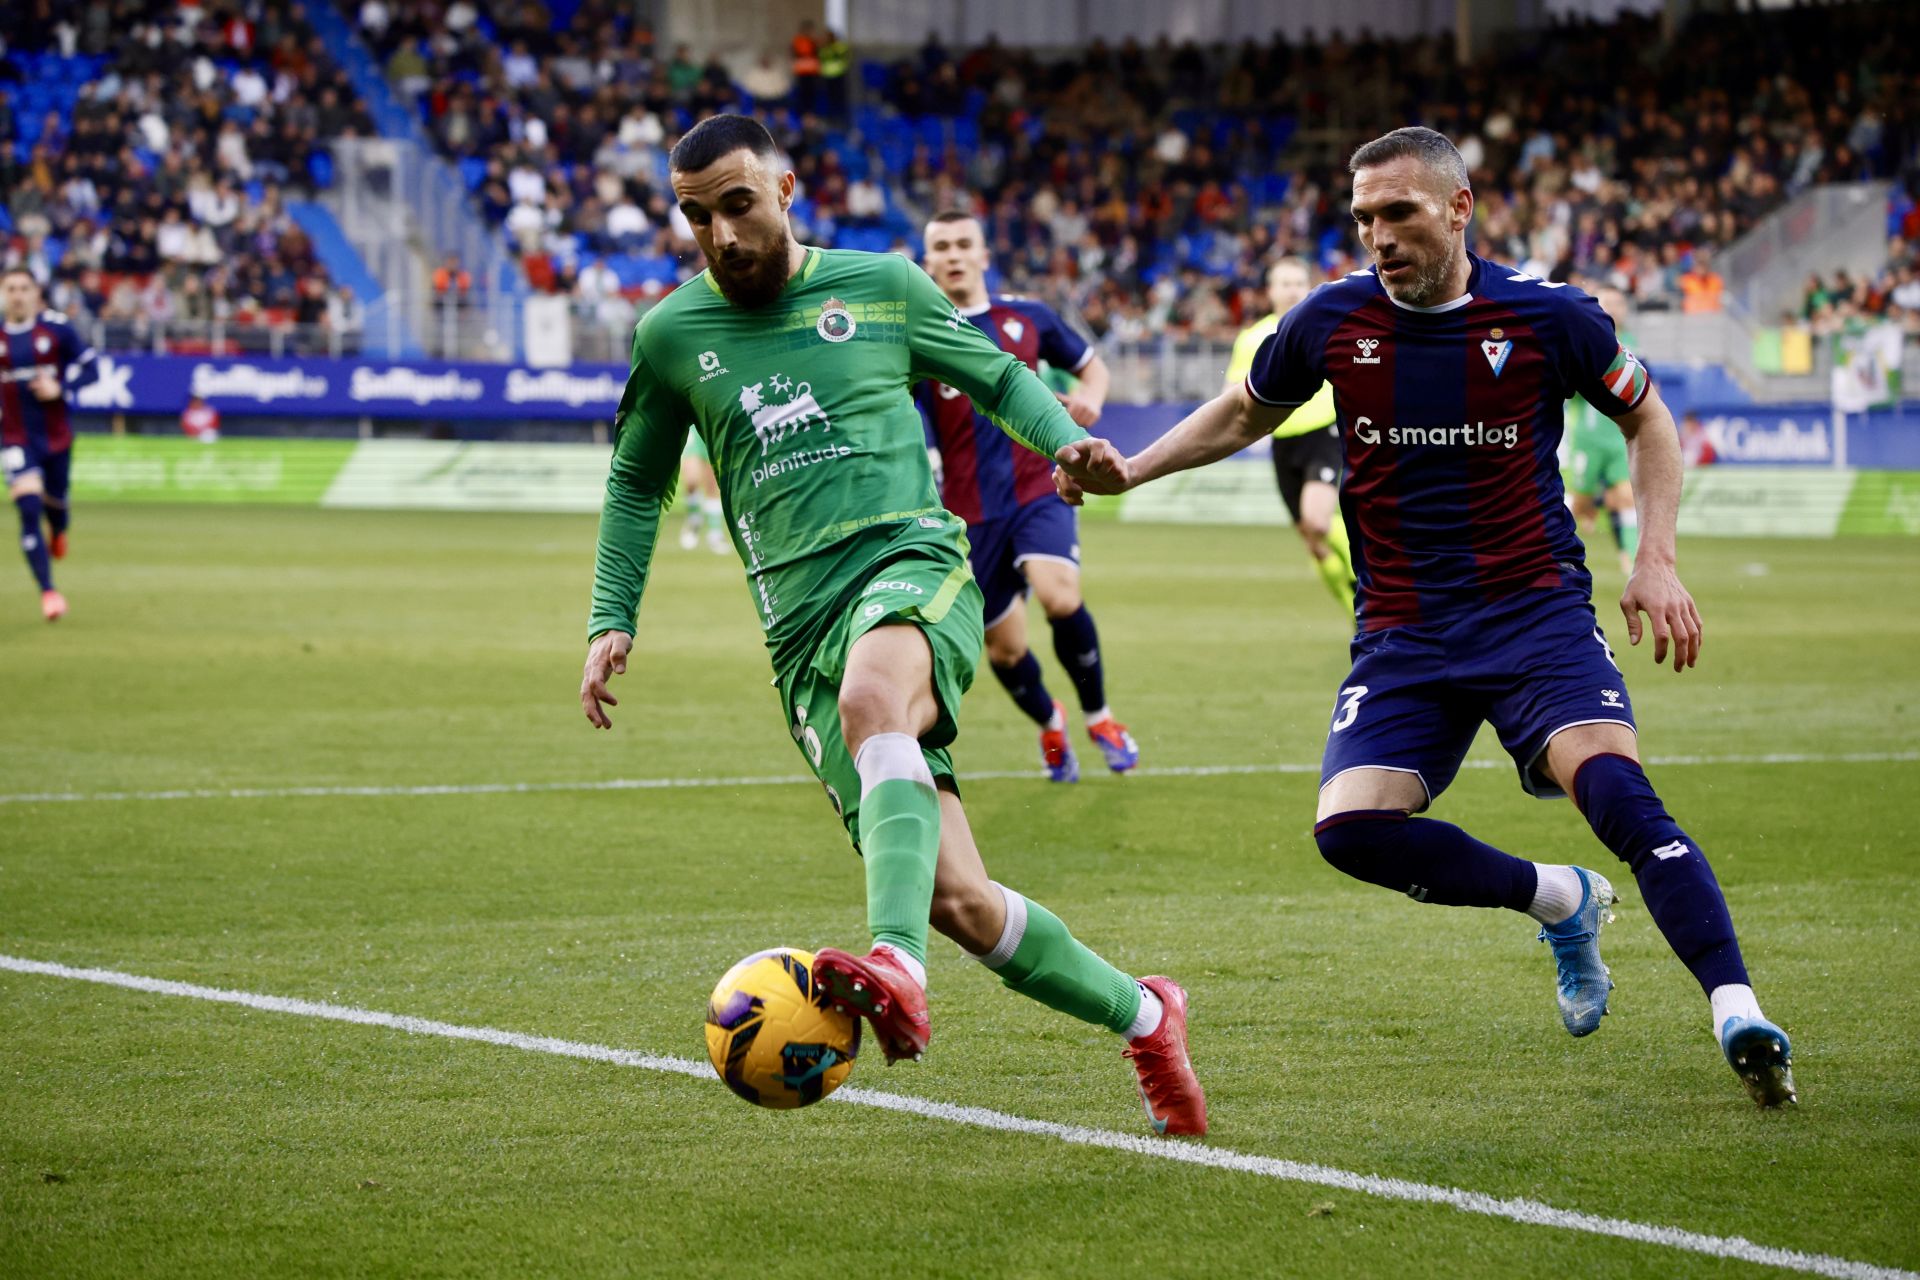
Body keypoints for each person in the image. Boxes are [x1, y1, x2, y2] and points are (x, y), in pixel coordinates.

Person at [1055, 127, 1795, 1108]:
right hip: (1404, 630)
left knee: (1617, 793)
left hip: (1535, 616)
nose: (1378, 236)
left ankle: (1737, 1008)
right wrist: (1129, 470)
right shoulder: (1331, 321)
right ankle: (1559, 899)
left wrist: (1656, 557)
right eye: (1362, 218)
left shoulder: (1547, 320)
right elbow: (1244, 411)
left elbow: (1647, 418)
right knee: (1350, 830)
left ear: (1459, 207)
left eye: (1398, 212)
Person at [579, 116, 1206, 1134]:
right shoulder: (671, 335)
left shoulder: (883, 285)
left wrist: (1068, 440)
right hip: (797, 633)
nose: (722, 234)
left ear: (786, 187)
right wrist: (612, 614)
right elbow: (635, 480)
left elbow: (998, 375)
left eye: (739, 203)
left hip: (913, 561)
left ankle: (894, 965)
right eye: (696, 216)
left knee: (879, 701)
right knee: (962, 898)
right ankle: (1147, 1013)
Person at [918, 209, 1137, 782]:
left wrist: (1089, 399)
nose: (954, 255)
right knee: (1006, 652)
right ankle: (1050, 721)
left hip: (1041, 490)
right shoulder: (919, 333)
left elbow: (1093, 369)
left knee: (1059, 595)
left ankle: (1101, 717)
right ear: (928, 261)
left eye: (965, 244)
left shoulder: (1028, 317)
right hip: (968, 513)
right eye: (941, 247)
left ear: (984, 255)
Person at [1223, 258, 1357, 613]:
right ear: (1270, 291)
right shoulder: (1252, 338)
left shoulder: (1323, 326)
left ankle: (1369, 586)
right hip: (1283, 442)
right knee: (1312, 541)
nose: (1293, 289)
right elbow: (1234, 391)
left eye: (1299, 282)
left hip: (1323, 433)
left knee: (1317, 520)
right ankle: (1356, 615)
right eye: (1285, 283)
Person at [1, 267, 99, 621]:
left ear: (35, 293)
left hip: (57, 438)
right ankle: (49, 592)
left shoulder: (56, 330)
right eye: (10, 288)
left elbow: (93, 368)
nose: (16, 295)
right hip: (14, 438)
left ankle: (58, 531)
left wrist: (62, 389)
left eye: (23, 288)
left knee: (55, 507)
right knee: (28, 508)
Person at [1564, 285, 1640, 574]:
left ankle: (1631, 560)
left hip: (1618, 436)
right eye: (1609, 302)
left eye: (1619, 303)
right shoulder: (1584, 337)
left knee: (1625, 496)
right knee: (1580, 502)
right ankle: (1541, 544)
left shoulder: (1632, 342)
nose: (1615, 308)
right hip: (1589, 438)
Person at [675, 432, 727, 553]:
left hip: (710, 425)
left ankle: (715, 533)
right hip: (692, 426)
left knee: (713, 482)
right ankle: (694, 521)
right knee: (691, 479)